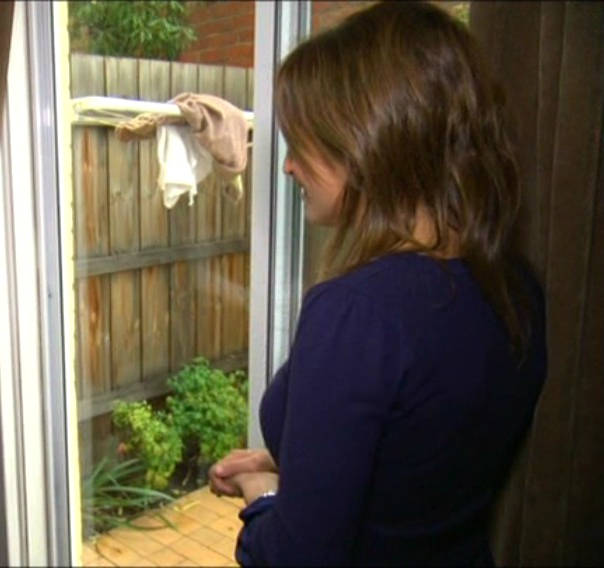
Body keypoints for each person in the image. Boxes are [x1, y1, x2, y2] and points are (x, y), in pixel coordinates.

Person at [208, 2, 547, 565]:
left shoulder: (357, 315)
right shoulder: (518, 289)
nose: (289, 165)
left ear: (367, 143)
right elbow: (415, 468)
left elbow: (296, 558)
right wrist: (299, 473)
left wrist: (263, 496)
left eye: (303, 142)